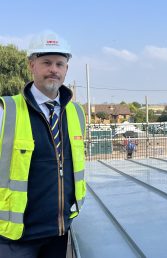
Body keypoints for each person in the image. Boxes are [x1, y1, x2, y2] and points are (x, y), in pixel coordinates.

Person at [0, 31, 86, 258]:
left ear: (66, 69)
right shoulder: (6, 111)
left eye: (60, 64)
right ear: (32, 65)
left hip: (58, 232)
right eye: (46, 62)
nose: (54, 70)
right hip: (15, 237)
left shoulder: (76, 113)